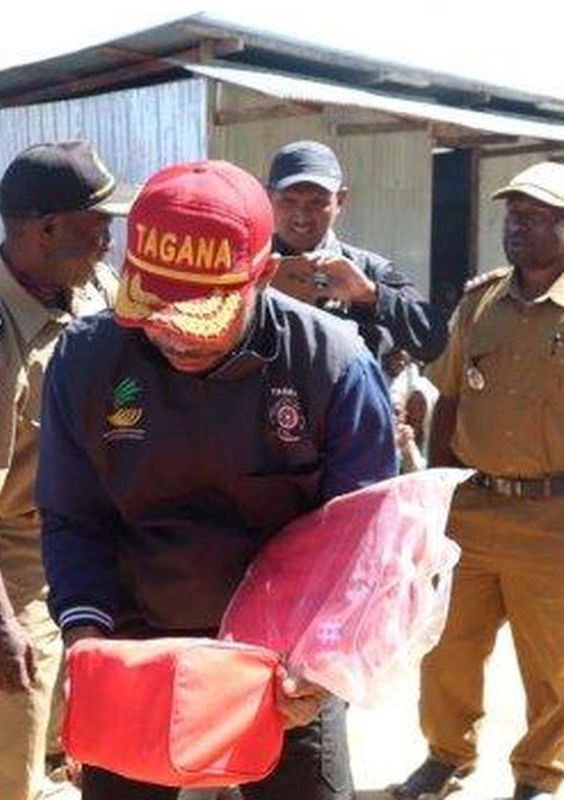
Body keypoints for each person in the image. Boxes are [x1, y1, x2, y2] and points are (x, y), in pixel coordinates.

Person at [37, 159, 398, 800]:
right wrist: (86, 639)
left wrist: (321, 661)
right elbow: (75, 519)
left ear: (262, 274)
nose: (174, 336)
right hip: (136, 648)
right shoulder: (87, 360)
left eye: (198, 317)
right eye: (155, 309)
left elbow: (364, 547)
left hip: (282, 664)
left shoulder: (332, 367)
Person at [0, 140, 130, 800]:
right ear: (48, 229)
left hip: (92, 537)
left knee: (81, 722)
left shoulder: (89, 289)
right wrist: (0, 625)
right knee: (10, 734)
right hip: (22, 553)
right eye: (97, 224)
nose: (109, 239)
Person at [392, 161, 564, 800]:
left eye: (537, 217)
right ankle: (445, 755)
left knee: (552, 663)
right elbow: (451, 400)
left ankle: (538, 775)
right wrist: (439, 492)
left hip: (553, 519)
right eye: (513, 216)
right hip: (475, 507)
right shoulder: (479, 303)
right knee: (447, 648)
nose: (519, 228)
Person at [266, 139, 448, 364]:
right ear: (268, 197)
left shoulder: (367, 269)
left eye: (317, 202)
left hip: (345, 397)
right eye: (289, 201)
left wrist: (370, 295)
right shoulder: (246, 267)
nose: (301, 215)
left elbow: (434, 339)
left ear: (340, 200)